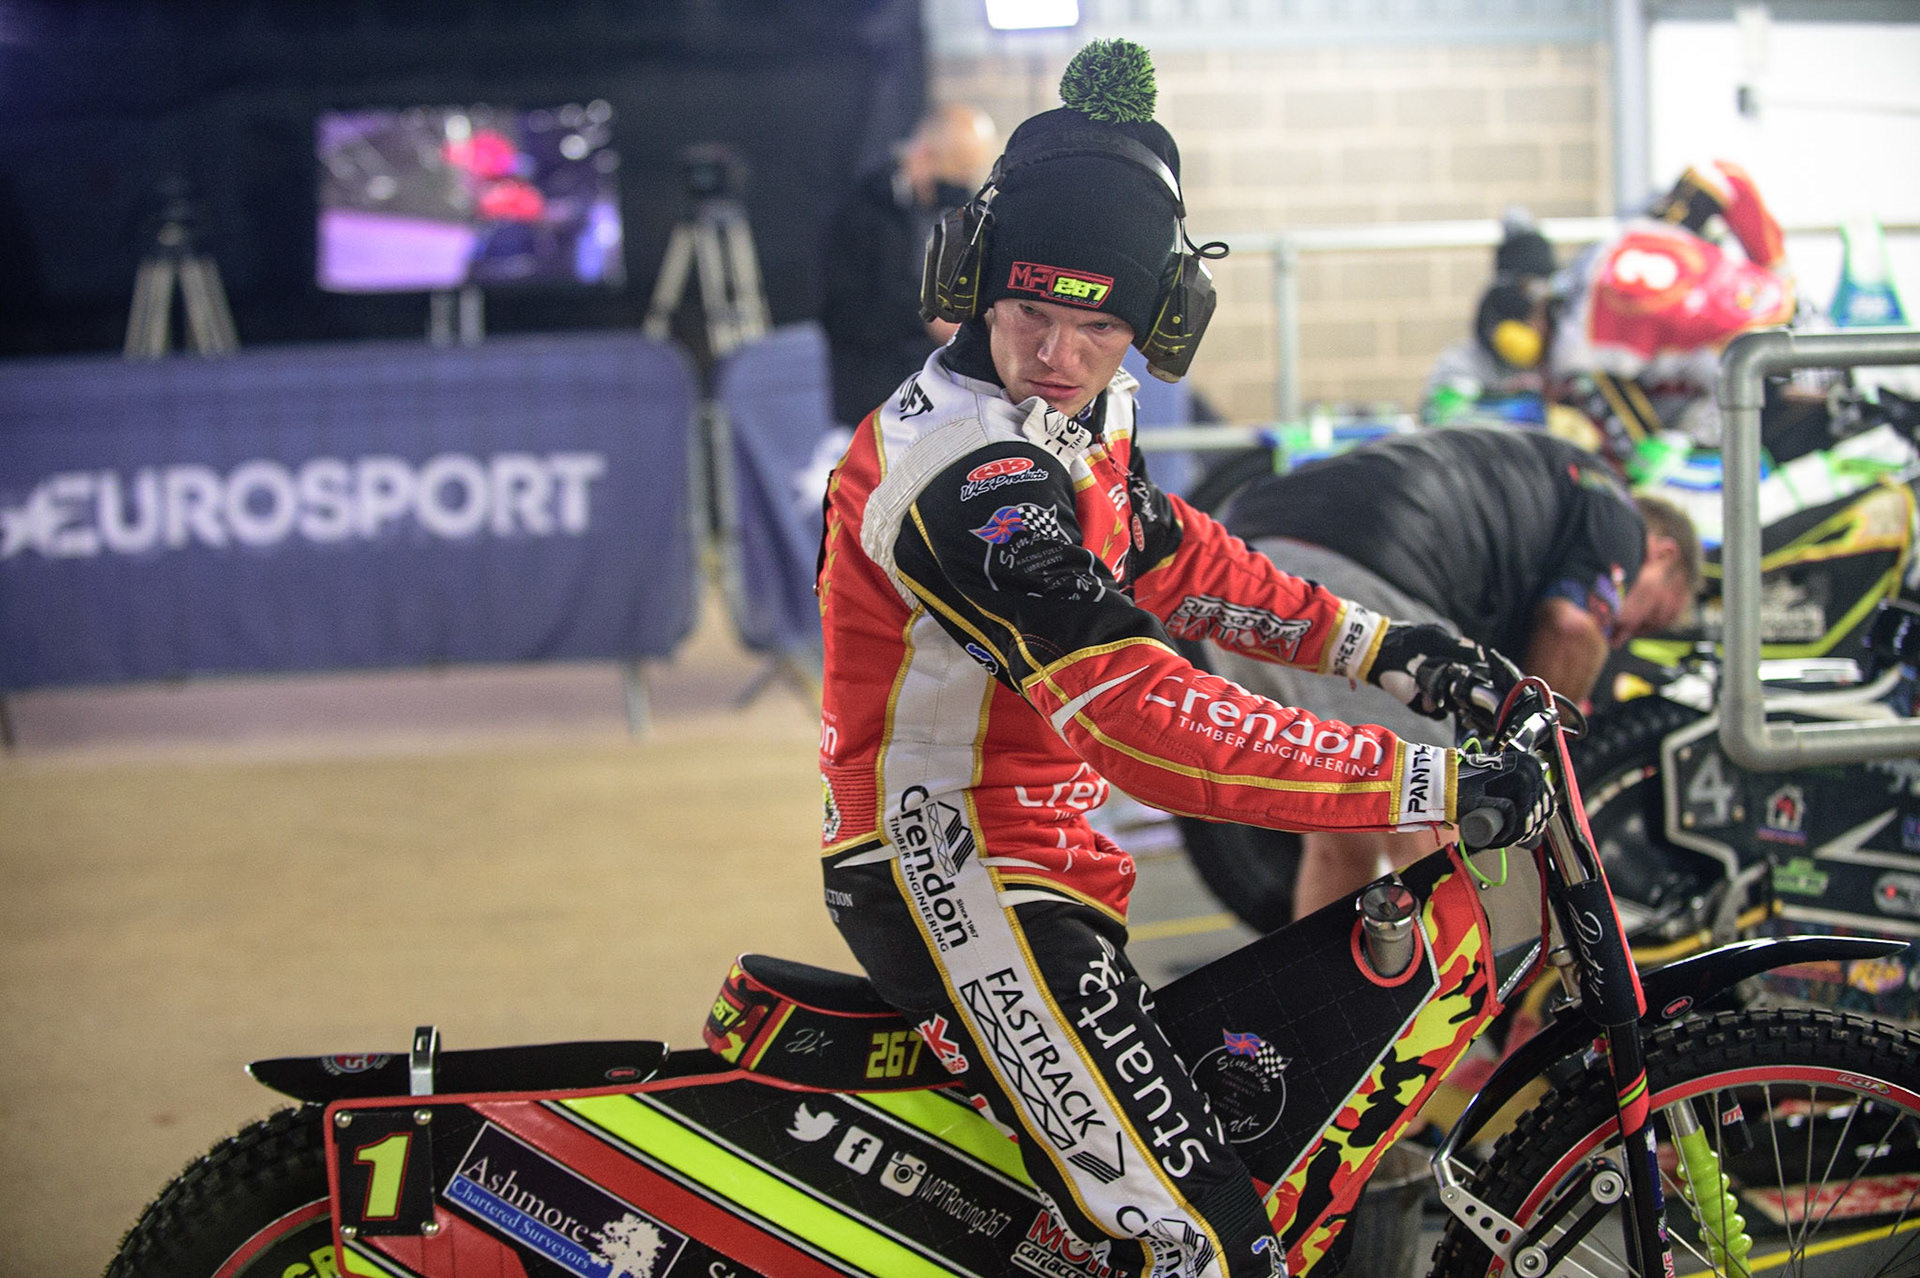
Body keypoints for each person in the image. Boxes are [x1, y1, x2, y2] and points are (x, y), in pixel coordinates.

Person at [814, 39, 1551, 1278]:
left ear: (1152, 324)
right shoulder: (964, 476)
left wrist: (1387, 649)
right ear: (972, 281)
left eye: (1095, 324)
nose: (1056, 353)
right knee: (1208, 1246)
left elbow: (1177, 557)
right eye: (1029, 311)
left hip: (1044, 852)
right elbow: (1141, 719)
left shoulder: (1076, 415)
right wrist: (1424, 779)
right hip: (955, 867)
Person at [1210, 427, 1702, 918]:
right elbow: (1573, 628)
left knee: (1340, 841)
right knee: (1431, 823)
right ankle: (1469, 972)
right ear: (1662, 555)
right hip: (1353, 574)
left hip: (1235, 572)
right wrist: (1527, 766)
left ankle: (1329, 974)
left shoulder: (1550, 493)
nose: (1619, 637)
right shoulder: (1616, 512)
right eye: (1646, 620)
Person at [1551, 159, 1795, 459]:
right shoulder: (1629, 233)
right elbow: (1724, 176)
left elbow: (1644, 451)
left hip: (1758, 380)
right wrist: (1777, 268)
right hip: (1795, 315)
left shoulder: (1578, 353)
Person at [819, 102, 997, 426]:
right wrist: (926, 315)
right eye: (954, 173)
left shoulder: (958, 208)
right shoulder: (859, 209)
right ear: (924, 154)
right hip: (875, 397)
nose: (959, 188)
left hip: (945, 392)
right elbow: (842, 312)